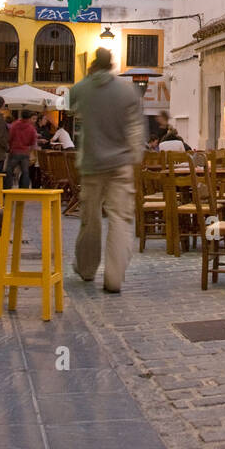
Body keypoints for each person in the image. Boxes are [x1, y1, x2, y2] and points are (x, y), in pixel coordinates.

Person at [68, 46, 144, 292]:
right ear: (112, 64)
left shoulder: (83, 87)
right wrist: (135, 155)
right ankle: (113, 277)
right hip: (121, 165)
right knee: (120, 219)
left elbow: (68, 103)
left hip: (92, 165)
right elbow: (136, 127)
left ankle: (87, 269)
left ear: (93, 64)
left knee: (90, 220)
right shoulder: (127, 90)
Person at [4, 109, 38, 189]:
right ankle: (23, 191)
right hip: (25, 152)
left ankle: (7, 189)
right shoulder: (31, 128)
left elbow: (10, 138)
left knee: (9, 171)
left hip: (14, 151)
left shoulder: (15, 125)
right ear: (29, 117)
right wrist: (28, 151)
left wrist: (11, 146)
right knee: (25, 172)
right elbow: (33, 142)